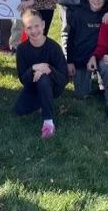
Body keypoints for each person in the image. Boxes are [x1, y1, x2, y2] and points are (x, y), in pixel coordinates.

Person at [15, 8, 68, 138]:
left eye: (37, 26)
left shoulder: (54, 47)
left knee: (43, 79)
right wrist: (34, 67)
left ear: (43, 24)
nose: (34, 31)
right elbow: (23, 79)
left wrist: (49, 68)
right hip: (32, 86)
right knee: (19, 109)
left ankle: (48, 122)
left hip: (53, 86)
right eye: (29, 28)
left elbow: (64, 79)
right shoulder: (22, 49)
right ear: (25, 30)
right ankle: (42, 103)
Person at [65, 0, 108, 98]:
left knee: (106, 70)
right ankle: (87, 83)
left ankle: (103, 84)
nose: (96, 0)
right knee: (81, 95)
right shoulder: (78, 14)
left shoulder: (107, 15)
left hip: (100, 57)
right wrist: (70, 62)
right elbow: (70, 39)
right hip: (81, 58)